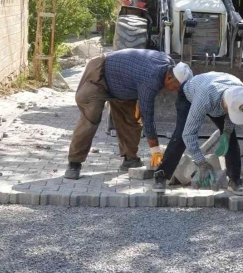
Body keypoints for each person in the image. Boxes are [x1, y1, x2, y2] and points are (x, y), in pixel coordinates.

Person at [65, 50, 191, 180]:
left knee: (130, 120)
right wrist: (155, 151)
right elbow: (147, 116)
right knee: (90, 119)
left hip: (122, 84)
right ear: (169, 77)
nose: (176, 91)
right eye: (176, 87)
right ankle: (74, 164)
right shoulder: (151, 79)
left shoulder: (169, 63)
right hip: (99, 75)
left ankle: (130, 159)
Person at [153, 71, 243, 196]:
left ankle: (235, 181)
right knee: (181, 136)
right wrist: (202, 163)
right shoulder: (205, 98)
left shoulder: (242, 95)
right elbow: (189, 135)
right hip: (190, 96)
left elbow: (232, 114)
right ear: (224, 103)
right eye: (228, 109)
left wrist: (226, 133)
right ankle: (161, 175)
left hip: (215, 94)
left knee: (231, 138)